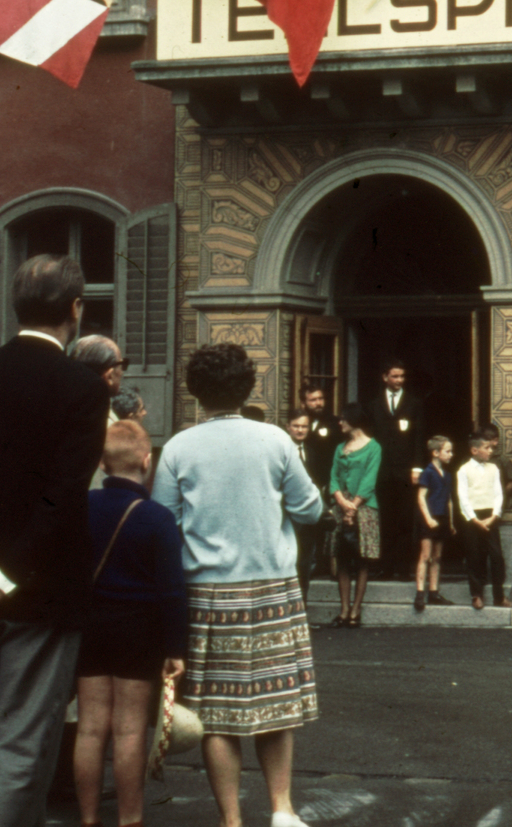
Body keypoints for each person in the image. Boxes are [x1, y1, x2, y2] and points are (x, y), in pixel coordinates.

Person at [0, 255, 109, 827]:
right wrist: (3, 579)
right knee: (18, 750)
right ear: (75, 309)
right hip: (38, 591)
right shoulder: (81, 388)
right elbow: (63, 496)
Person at [151, 342, 322, 827]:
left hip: (207, 590)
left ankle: (231, 820)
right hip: (271, 586)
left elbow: (164, 520)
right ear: (247, 387)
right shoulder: (275, 440)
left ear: (196, 392)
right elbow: (309, 508)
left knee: (217, 712)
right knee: (277, 702)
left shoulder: (180, 447)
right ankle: (282, 809)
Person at [73, 420, 186, 827]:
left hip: (88, 626)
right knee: (129, 730)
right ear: (147, 460)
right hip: (138, 631)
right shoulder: (156, 518)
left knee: (89, 728)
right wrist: (175, 648)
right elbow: (172, 588)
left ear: (102, 464)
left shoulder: (79, 508)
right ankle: (129, 819)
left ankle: (87, 819)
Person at [365, 360, 426, 579]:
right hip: (382, 472)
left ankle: (402, 568)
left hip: (406, 471)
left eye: (402, 376)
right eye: (395, 376)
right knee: (386, 519)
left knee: (405, 519)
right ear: (385, 377)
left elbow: (419, 438)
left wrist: (417, 468)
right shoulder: (373, 405)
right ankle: (386, 567)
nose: (399, 380)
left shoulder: (414, 403)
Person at [329, 405, 382, 627]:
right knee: (342, 559)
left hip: (365, 507)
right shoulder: (340, 447)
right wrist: (342, 502)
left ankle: (355, 610)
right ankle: (343, 609)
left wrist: (354, 506)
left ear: (354, 420)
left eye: (343, 419)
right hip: (342, 506)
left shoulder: (373, 447)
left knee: (361, 560)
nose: (340, 423)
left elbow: (370, 479)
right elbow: (333, 477)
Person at [457, 427, 511, 611]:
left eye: (491, 448)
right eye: (487, 448)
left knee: (496, 556)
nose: (491, 451)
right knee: (474, 556)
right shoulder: (463, 470)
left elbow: (498, 494)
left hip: (490, 516)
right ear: (474, 450)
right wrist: (474, 519)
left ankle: (499, 595)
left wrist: (494, 516)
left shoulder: (494, 468)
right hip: (472, 518)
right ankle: (476, 595)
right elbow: (463, 497)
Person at [285, 408, 329, 597]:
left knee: (305, 566)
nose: (300, 430)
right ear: (288, 427)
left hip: (308, 521)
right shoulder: (283, 451)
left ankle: (302, 612)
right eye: (296, 426)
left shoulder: (312, 452)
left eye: (304, 426)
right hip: (287, 519)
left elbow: (317, 483)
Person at [414, 436, 456, 612]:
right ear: (436, 453)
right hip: (430, 518)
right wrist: (428, 518)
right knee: (425, 556)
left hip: (443, 518)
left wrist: (451, 522)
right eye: (447, 451)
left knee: (437, 557)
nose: (451, 454)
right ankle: (420, 593)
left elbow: (449, 500)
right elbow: (421, 497)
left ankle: (434, 591)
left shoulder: (447, 474)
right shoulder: (428, 472)